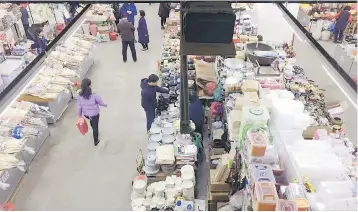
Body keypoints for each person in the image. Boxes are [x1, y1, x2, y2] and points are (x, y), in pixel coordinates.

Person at [77, 78, 107, 146]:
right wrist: (105, 105)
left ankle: (92, 126)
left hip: (86, 114)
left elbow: (79, 107)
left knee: (92, 122)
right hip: (94, 114)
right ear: (90, 85)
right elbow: (101, 103)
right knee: (95, 127)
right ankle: (96, 141)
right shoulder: (94, 95)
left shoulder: (80, 96)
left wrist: (79, 116)